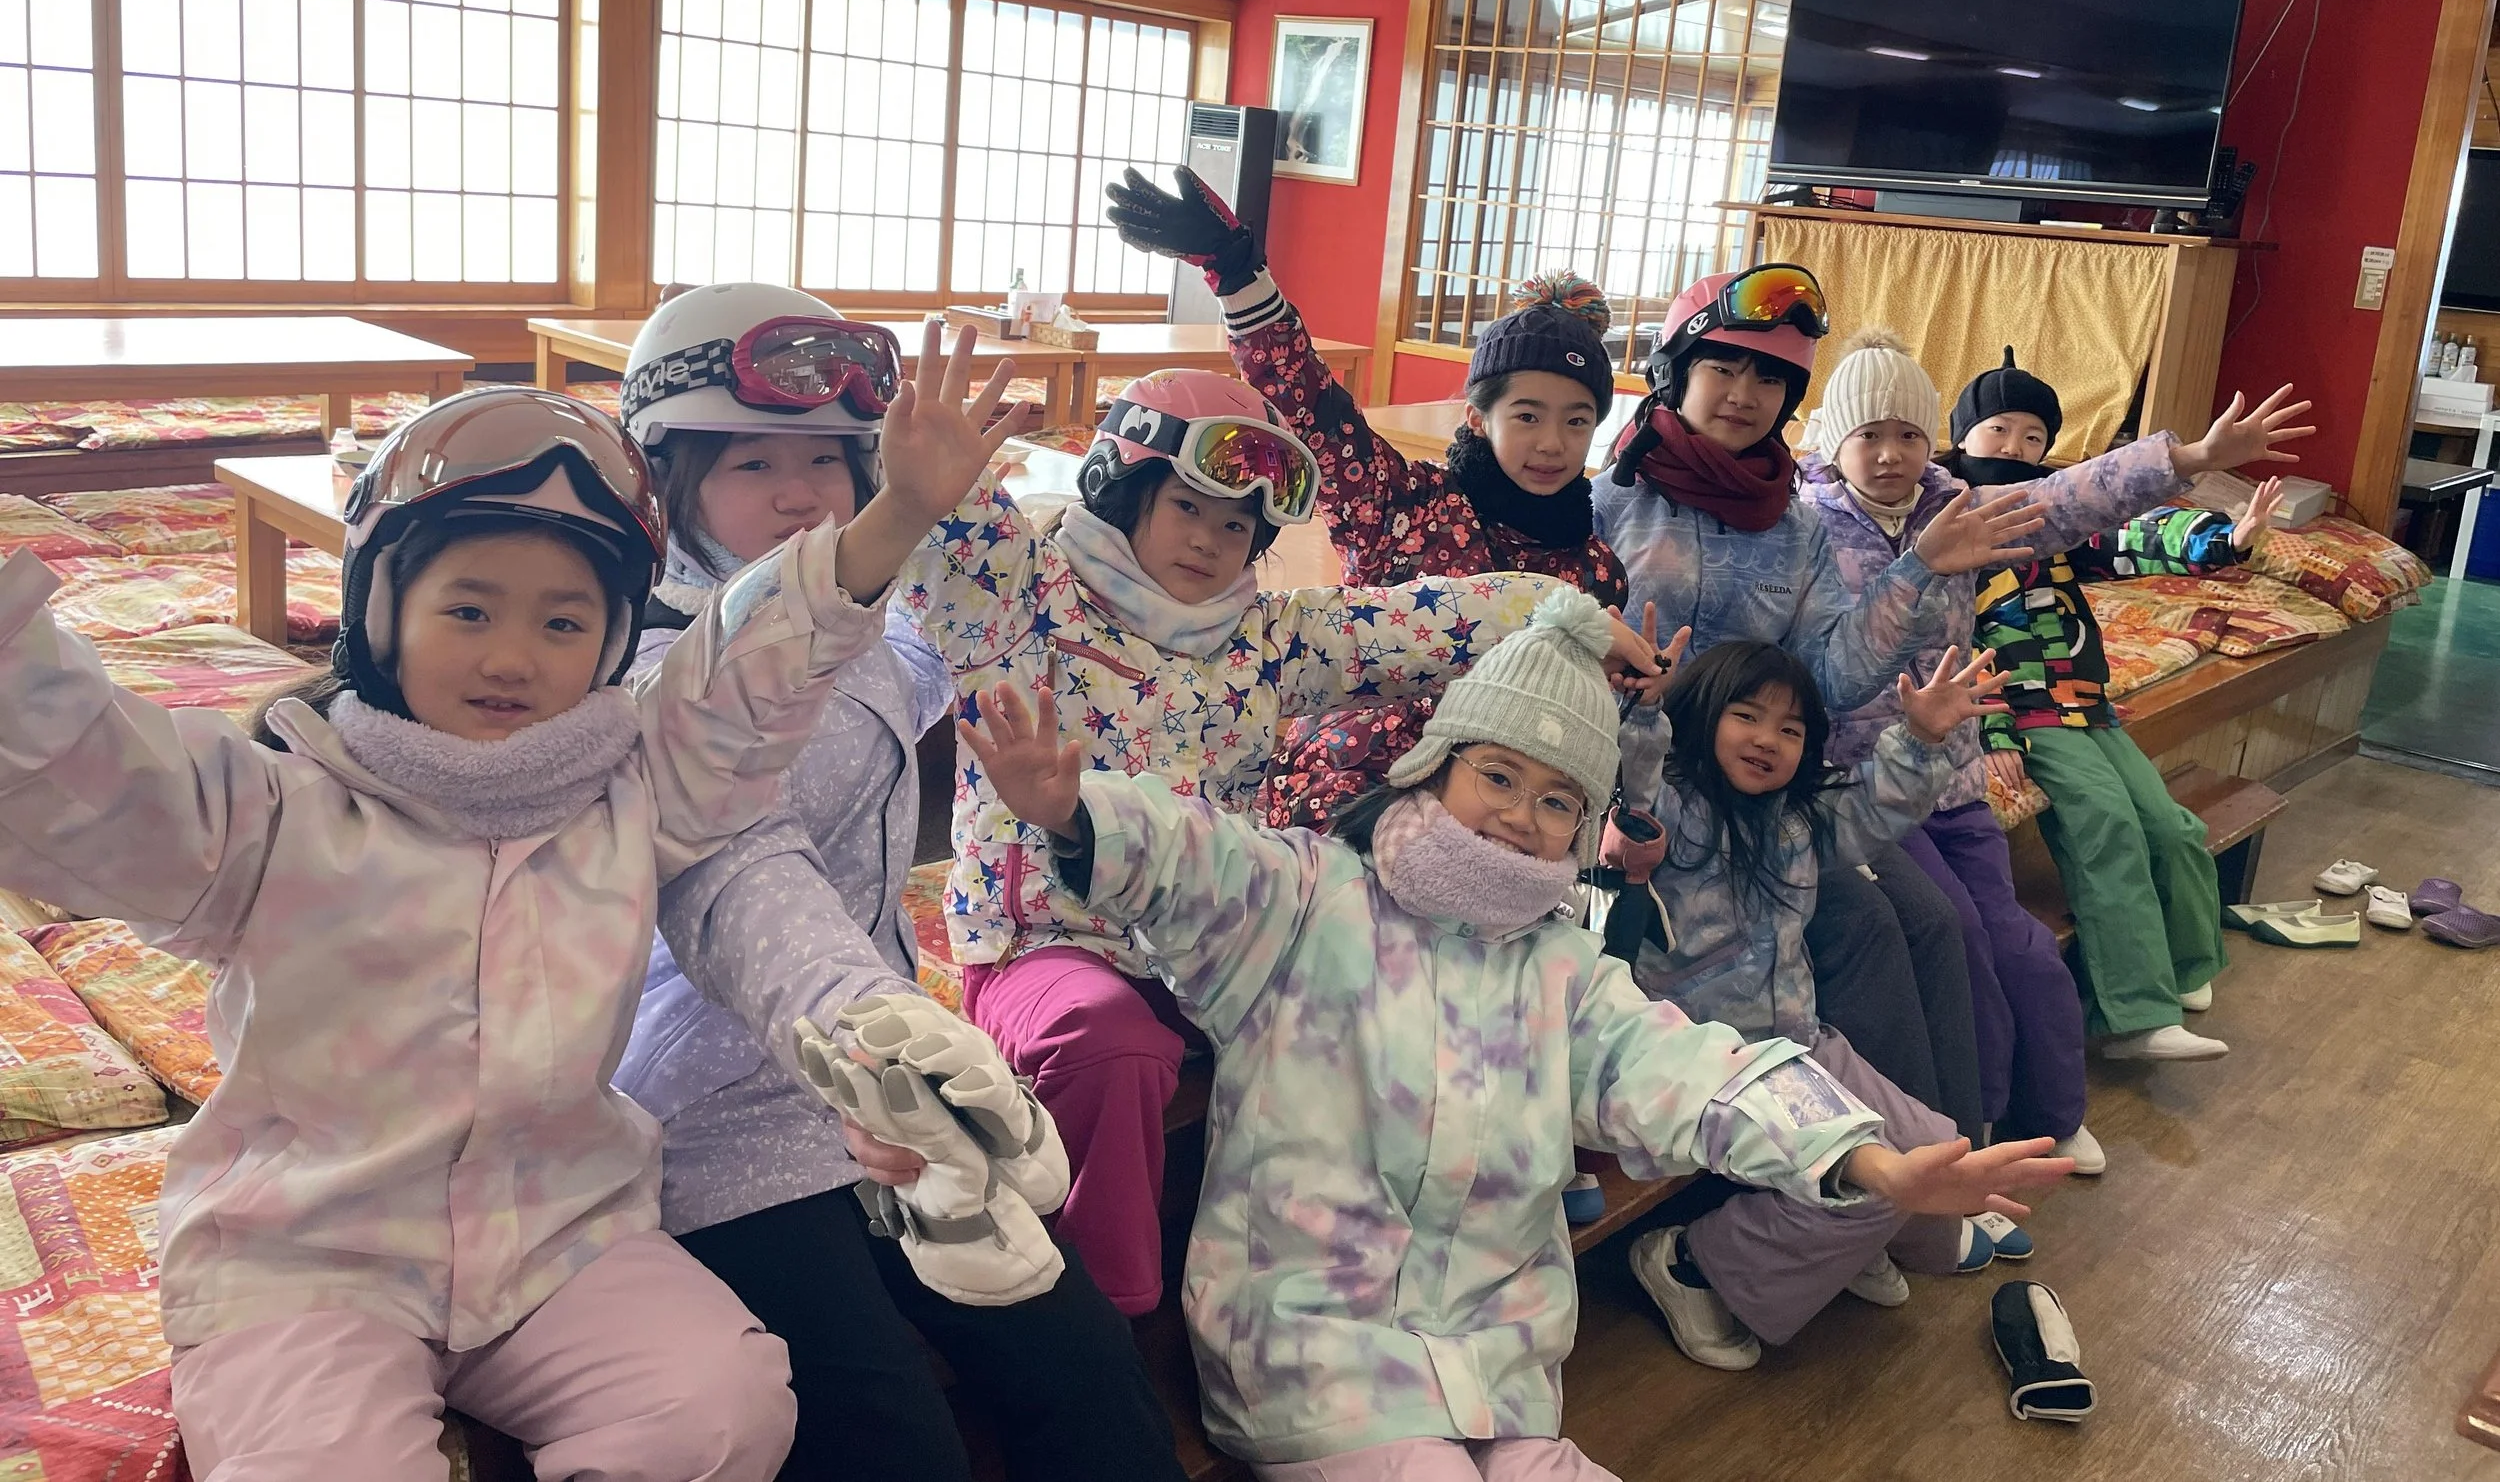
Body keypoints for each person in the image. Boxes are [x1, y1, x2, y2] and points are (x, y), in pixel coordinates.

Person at [0, 372, 980, 1481]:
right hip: (306, 1259)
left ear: (613, 642)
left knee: (722, 1405)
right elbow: (84, 772)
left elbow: (750, 677)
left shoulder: (633, 794)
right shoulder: (265, 811)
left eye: (563, 621)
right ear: (380, 612)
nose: (513, 656)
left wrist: (897, 513)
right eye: (468, 610)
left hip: (559, 1240)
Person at [950, 586, 2073, 1479]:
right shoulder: (1305, 902)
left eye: (1555, 800)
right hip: (1315, 1350)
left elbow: (1693, 1070)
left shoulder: (1562, 969)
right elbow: (1192, 856)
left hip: (1499, 1364)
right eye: (1496, 774)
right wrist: (1074, 811)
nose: (1518, 815)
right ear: (1433, 766)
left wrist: (1864, 1158)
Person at [898, 370, 1661, 1316]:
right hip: (1044, 945)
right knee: (1111, 1043)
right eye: (1188, 506)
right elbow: (948, 539)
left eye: (1236, 526)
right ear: (1121, 490)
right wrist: (929, 495)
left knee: (1373, 993)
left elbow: (1422, 619)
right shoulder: (1029, 601)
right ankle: (1105, 1309)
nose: (1208, 540)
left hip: (1211, 939)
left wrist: (1570, 618)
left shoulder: (1267, 639)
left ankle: (1344, 1279)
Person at [610, 284, 1186, 1482]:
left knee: (1084, 1368)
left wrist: (1098, 538)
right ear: (664, 483)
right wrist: (900, 516)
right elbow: (739, 857)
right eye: (752, 463)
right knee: (883, 1430)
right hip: (714, 1107)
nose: (802, 494)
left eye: (829, 459)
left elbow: (971, 631)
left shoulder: (872, 633)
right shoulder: (644, 674)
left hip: (892, 1086)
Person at [1797, 329, 2301, 1167]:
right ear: (1832, 439)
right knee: (1959, 939)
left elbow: (2072, 499)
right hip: (1866, 781)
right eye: (1868, 434)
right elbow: (1823, 666)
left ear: (1932, 441)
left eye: (1909, 434)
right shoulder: (1807, 524)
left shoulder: (1957, 503)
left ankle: (2054, 1113)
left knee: (2022, 945)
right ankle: (1979, 1126)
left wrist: (2189, 458)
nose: (1889, 454)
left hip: (1954, 779)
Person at [1595, 262, 2042, 1143]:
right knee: (1859, 922)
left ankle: (1953, 1159)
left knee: (1926, 920)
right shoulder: (1608, 505)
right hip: (1639, 805)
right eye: (1724, 367)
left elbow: (1832, 676)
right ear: (1676, 369)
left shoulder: (1793, 526)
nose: (1744, 393)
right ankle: (1857, 1170)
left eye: (1769, 378)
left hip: (1764, 792)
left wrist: (1917, 569)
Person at [1106, 166, 1626, 826]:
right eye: (1527, 415)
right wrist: (1237, 272)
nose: (1552, 442)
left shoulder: (1597, 575)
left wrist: (1634, 691)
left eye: (1577, 420)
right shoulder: (1404, 505)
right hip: (1328, 813)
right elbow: (1310, 403)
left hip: (1482, 838)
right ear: (1477, 417)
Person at [1606, 638, 2032, 1371]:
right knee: (1875, 1187)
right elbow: (1635, 788)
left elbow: (1876, 806)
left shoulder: (1797, 820)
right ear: (1703, 714)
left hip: (1800, 1036)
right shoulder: (1675, 807)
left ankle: (1834, 1252)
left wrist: (1922, 735)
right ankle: (1689, 1261)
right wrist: (1641, 711)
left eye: (1791, 728)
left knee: (1932, 1147)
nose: (1767, 739)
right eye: (1747, 716)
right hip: (1713, 1058)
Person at [1945, 348, 2310, 1063]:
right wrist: (1994, 732)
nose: (2014, 446)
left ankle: (2186, 965)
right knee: (2107, 825)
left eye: (2032, 436)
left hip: (2088, 703)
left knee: (2172, 826)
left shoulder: (2054, 512)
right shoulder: (1951, 520)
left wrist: (2225, 537)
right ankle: (2133, 1018)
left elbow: (2132, 534)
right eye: (1999, 429)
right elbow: (1950, 641)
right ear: (1963, 436)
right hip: (2027, 709)